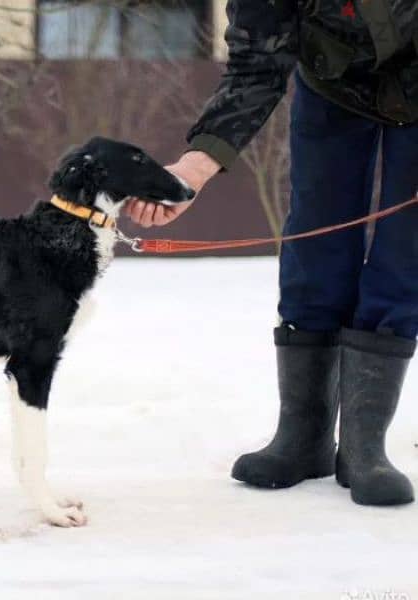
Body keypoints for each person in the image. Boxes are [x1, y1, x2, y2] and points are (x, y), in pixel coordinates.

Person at [126, 1, 418, 506]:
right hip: (333, 80)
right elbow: (256, 64)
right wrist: (198, 164)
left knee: (404, 251)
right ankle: (304, 437)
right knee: (315, 239)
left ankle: (364, 448)